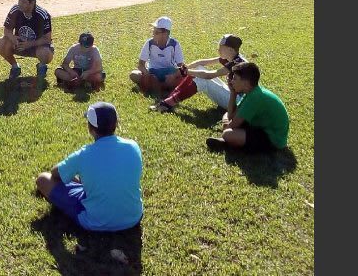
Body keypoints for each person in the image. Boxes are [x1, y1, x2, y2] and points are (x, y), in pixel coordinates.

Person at [35, 102, 144, 231]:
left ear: (90, 128)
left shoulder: (84, 154)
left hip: (94, 222)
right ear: (116, 124)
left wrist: (73, 177)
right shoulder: (133, 146)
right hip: (133, 218)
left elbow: (54, 173)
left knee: (43, 179)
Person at [150, 34, 247, 112]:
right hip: (234, 95)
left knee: (203, 80)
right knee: (199, 68)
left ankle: (168, 103)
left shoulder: (237, 63)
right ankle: (171, 97)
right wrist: (183, 69)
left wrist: (187, 72)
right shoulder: (232, 57)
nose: (218, 49)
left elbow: (209, 75)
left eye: (221, 47)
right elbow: (201, 62)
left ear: (230, 50)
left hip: (238, 103)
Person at [206, 62, 290, 152]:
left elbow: (233, 124)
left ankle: (227, 142)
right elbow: (231, 116)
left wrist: (227, 127)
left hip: (273, 139)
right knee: (226, 116)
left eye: (234, 79)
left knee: (227, 134)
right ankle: (230, 141)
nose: (231, 82)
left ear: (245, 83)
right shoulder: (251, 93)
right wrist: (233, 93)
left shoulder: (255, 97)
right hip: (260, 128)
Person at [0, 0, 54, 81]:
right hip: (19, 44)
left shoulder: (42, 14)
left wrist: (29, 44)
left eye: (23, 2)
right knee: (1, 43)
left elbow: (47, 39)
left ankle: (41, 67)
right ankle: (15, 67)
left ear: (32, 3)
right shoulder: (15, 10)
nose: (19, 3)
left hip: (36, 47)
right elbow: (7, 31)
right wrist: (13, 38)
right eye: (19, 0)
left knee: (46, 54)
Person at [129, 16, 185, 93]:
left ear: (165, 34)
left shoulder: (175, 44)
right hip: (152, 72)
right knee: (133, 74)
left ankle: (154, 86)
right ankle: (163, 86)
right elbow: (141, 64)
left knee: (185, 76)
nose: (153, 34)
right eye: (153, 31)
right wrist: (147, 74)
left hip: (169, 73)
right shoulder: (149, 43)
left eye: (156, 32)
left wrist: (173, 76)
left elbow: (182, 66)